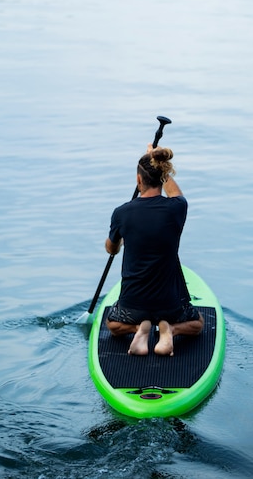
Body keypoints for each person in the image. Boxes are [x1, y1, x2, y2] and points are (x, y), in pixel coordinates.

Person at [105, 144, 204, 356]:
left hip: (133, 303)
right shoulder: (177, 208)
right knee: (198, 324)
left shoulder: (121, 213)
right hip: (170, 303)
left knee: (112, 325)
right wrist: (158, 163)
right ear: (162, 177)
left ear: (138, 180)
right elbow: (176, 194)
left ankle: (138, 329)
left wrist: (119, 239)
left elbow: (111, 250)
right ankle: (170, 330)